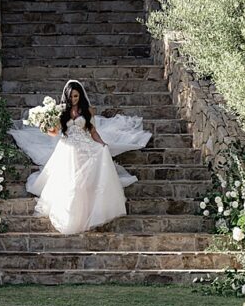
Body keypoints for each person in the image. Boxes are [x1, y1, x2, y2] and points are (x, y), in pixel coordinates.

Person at [9, 79, 152, 234]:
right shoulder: (61, 112)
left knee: (87, 178)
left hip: (86, 146)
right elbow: (55, 132)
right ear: (67, 96)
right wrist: (46, 127)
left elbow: (93, 132)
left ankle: (89, 211)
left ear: (80, 96)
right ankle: (72, 215)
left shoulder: (88, 110)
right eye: (71, 96)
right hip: (68, 148)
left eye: (76, 96)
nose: (73, 99)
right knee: (71, 181)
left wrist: (103, 144)